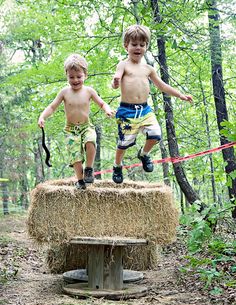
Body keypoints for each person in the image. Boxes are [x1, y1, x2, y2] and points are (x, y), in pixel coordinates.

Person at [111, 24, 193, 184]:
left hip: (144, 110)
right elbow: (116, 79)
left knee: (156, 134)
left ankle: (144, 154)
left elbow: (162, 86)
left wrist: (181, 95)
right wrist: (115, 83)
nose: (138, 48)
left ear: (146, 46)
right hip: (126, 112)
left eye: (142, 45)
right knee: (123, 144)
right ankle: (117, 166)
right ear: (126, 45)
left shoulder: (148, 69)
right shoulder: (123, 65)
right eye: (134, 44)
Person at [38, 53, 113, 189]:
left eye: (79, 77)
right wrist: (42, 116)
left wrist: (107, 110)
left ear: (85, 75)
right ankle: (80, 181)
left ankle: (89, 169)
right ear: (66, 76)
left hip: (86, 126)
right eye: (71, 77)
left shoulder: (89, 91)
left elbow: (102, 103)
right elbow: (52, 106)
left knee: (91, 140)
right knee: (75, 157)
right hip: (70, 130)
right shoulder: (64, 92)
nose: (75, 80)